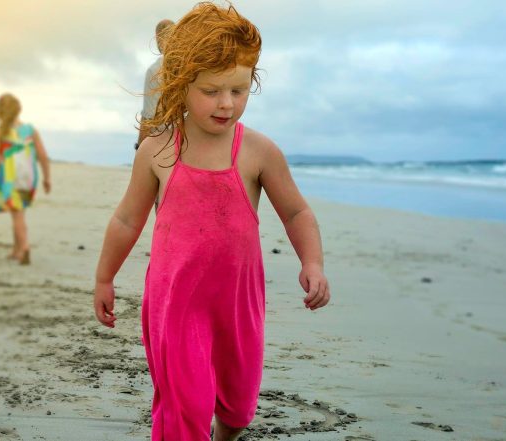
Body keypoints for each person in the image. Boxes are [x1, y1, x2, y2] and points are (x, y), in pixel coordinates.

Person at [93, 3, 330, 440]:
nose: (226, 104)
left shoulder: (258, 152)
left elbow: (296, 211)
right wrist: (105, 277)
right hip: (175, 302)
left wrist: (311, 262)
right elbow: (128, 219)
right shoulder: (158, 151)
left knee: (238, 410)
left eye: (238, 91)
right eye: (212, 91)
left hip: (238, 304)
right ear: (180, 84)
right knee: (185, 409)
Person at [0, 94, 51, 265]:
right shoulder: (31, 130)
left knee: (17, 215)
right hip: (29, 177)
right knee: (18, 211)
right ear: (19, 109)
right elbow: (43, 157)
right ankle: (16, 250)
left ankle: (24, 247)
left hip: (10, 178)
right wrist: (47, 178)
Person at [135, 18, 174, 150]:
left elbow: (148, 119)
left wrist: (139, 148)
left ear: (159, 41)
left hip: (163, 146)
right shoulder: (192, 67)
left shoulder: (155, 71)